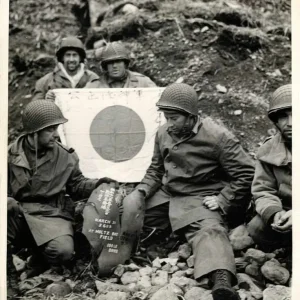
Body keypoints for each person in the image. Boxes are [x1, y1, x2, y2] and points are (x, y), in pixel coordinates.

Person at [121, 83, 254, 300]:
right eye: (166, 117)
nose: (169, 124)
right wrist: (141, 192)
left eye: (174, 118)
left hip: (200, 196)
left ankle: (221, 278)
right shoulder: (163, 132)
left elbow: (247, 172)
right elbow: (156, 170)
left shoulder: (217, 136)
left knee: (210, 230)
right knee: (128, 214)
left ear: (191, 116)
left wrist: (223, 199)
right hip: (167, 193)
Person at [7, 100, 116, 289]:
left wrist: (98, 184)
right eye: (50, 130)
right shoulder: (8, 155)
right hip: (17, 214)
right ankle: (8, 276)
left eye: (56, 128)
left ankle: (39, 259)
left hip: (50, 214)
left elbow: (76, 185)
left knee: (63, 251)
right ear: (34, 133)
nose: (56, 134)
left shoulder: (65, 156)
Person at [247, 84, 292, 251]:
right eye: (283, 117)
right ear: (276, 121)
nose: (290, 123)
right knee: (256, 228)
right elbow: (263, 190)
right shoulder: (268, 150)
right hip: (286, 211)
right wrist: (274, 213)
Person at [32, 36, 98, 101]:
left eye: (74, 55)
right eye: (68, 55)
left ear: (80, 58)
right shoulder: (45, 82)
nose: (71, 59)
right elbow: (34, 108)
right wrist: (46, 102)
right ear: (62, 58)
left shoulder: (92, 78)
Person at [85, 41, 156, 88]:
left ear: (125, 64)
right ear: (105, 66)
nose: (114, 66)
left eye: (118, 61)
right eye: (110, 62)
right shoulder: (93, 86)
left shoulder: (143, 82)